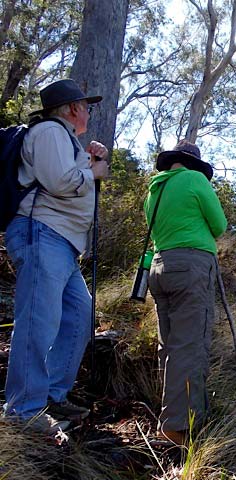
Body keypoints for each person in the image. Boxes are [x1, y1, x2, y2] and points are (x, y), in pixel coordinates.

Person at [3, 79, 109, 434]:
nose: (89, 112)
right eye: (86, 106)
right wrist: (92, 170)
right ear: (72, 109)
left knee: (80, 311)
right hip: (42, 233)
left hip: (61, 241)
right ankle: (23, 409)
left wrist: (92, 159)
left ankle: (51, 394)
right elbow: (61, 182)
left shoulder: (65, 139)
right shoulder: (49, 131)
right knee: (38, 319)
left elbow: (72, 174)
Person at [145, 140, 227, 445]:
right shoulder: (195, 180)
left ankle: (174, 417)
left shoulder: (155, 189)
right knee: (190, 346)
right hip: (190, 267)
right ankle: (177, 428)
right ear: (193, 163)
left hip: (159, 267)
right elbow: (219, 225)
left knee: (169, 347)